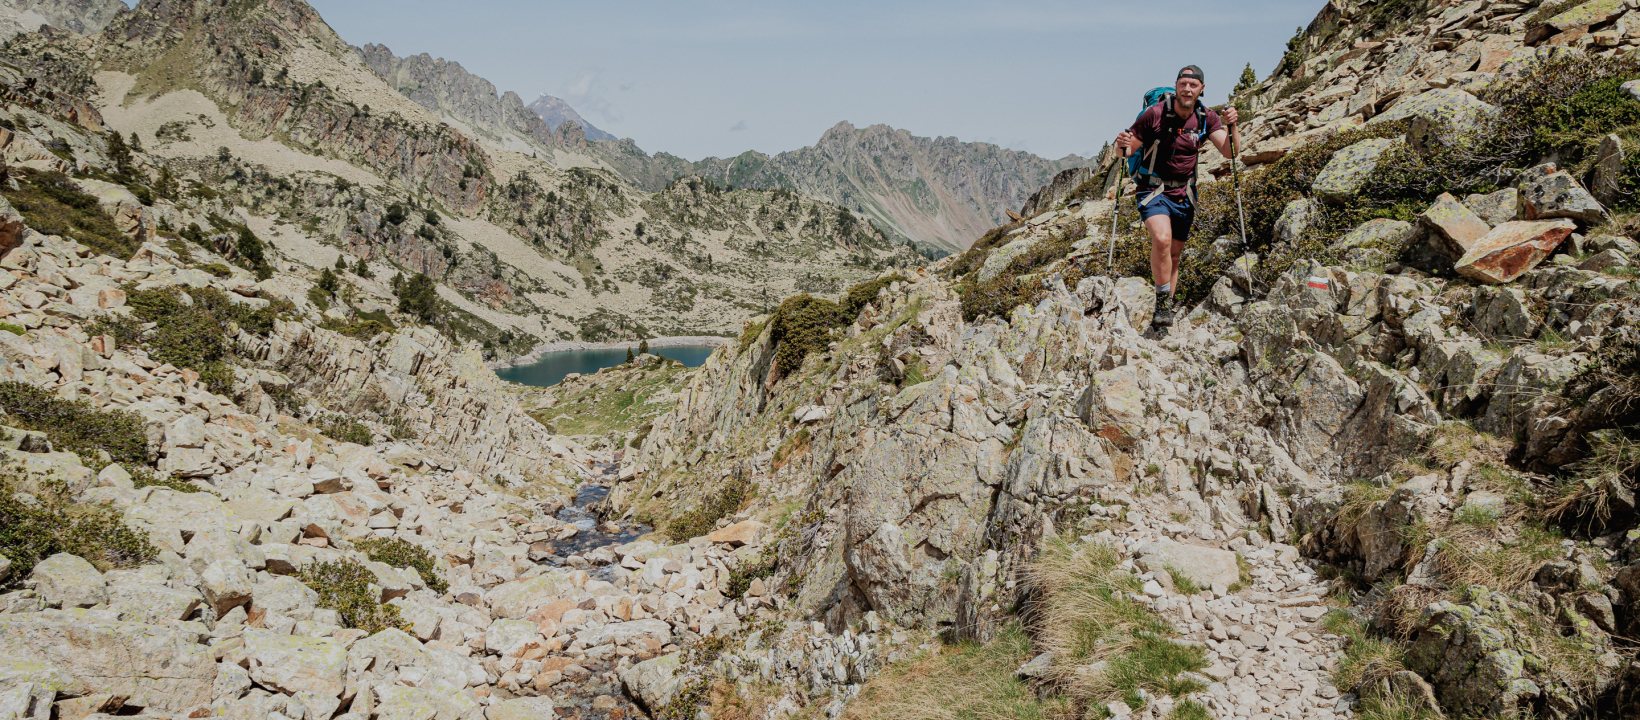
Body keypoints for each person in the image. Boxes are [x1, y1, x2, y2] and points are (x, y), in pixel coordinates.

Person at [1114, 65, 1240, 329]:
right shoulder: (1155, 114)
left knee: (1175, 254)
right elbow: (1127, 152)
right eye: (1183, 84)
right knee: (1161, 239)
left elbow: (1230, 152)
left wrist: (1233, 126)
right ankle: (1162, 301)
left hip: (1184, 192)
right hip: (1153, 189)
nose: (1187, 89)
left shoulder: (1207, 117)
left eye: (1193, 85)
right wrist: (1121, 144)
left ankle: (1165, 310)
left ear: (1201, 89)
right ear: (1176, 86)